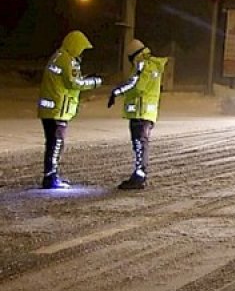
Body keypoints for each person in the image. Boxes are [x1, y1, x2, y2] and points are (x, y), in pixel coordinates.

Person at [37, 30, 103, 189]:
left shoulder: (57, 56)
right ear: (75, 46)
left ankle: (50, 175)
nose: (82, 53)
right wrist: (94, 82)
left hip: (49, 108)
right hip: (59, 110)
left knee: (52, 142)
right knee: (56, 144)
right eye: (81, 49)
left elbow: (65, 80)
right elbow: (74, 83)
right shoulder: (68, 60)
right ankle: (51, 178)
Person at [107, 39, 167, 190]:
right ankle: (139, 175)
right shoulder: (152, 64)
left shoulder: (143, 64)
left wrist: (117, 92)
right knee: (140, 144)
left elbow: (137, 85)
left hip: (140, 111)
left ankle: (139, 177)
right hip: (147, 112)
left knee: (140, 144)